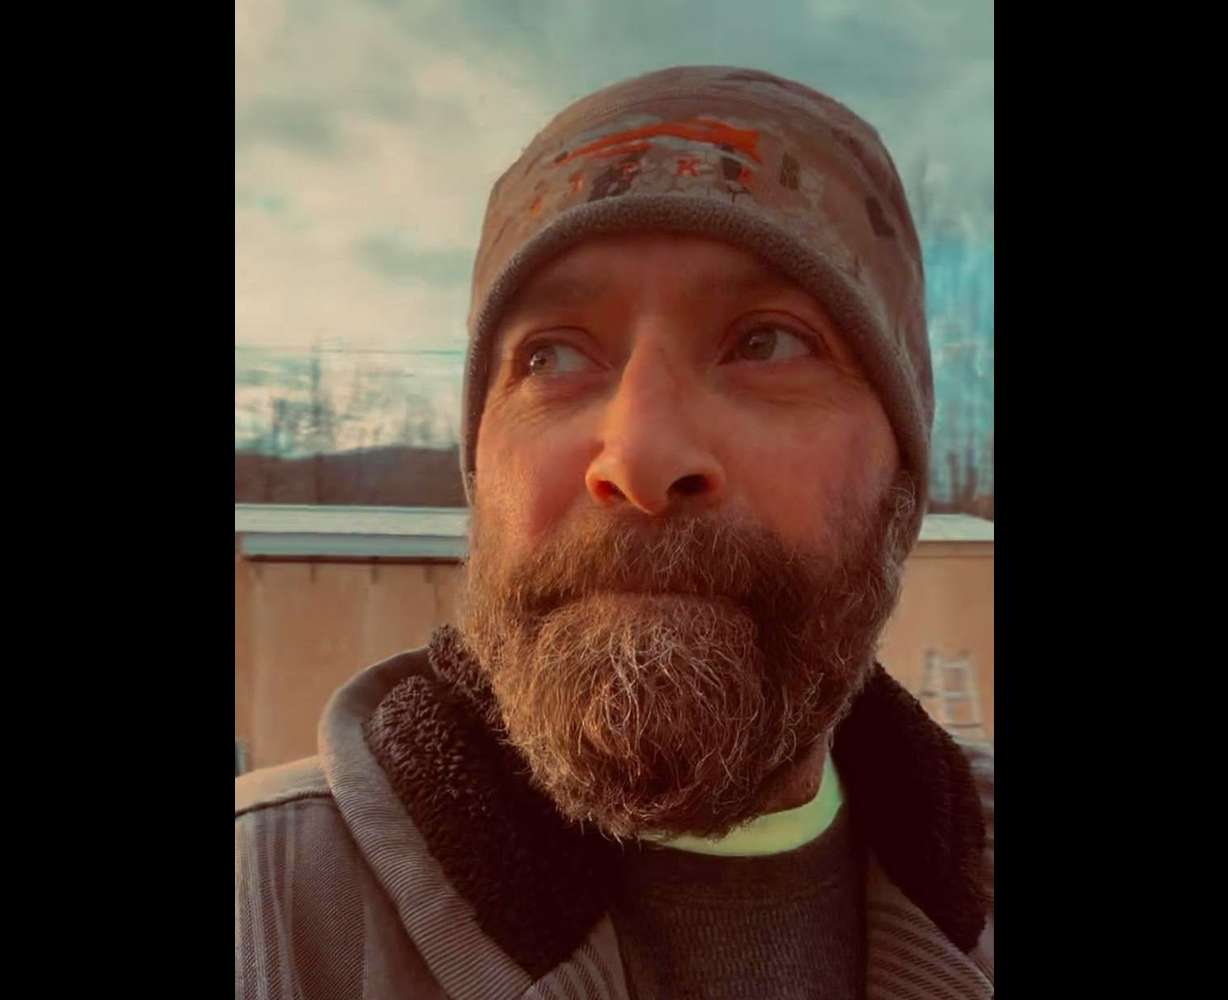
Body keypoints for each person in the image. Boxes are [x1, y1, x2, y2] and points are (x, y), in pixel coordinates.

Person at [235, 65, 994, 1000]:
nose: (636, 457)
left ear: (902, 476)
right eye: (550, 357)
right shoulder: (257, 918)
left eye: (766, 341)